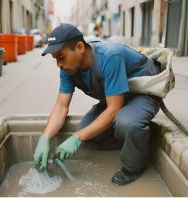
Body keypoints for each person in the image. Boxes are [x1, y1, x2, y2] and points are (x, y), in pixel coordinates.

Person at [33, 23, 161, 185]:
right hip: (116, 97)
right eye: (56, 60)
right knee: (87, 132)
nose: (59, 64)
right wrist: (45, 138)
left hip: (142, 94)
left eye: (61, 57)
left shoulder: (109, 57)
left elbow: (114, 109)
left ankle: (134, 167)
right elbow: (61, 106)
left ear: (79, 47)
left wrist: (76, 138)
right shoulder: (67, 69)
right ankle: (144, 135)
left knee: (125, 122)